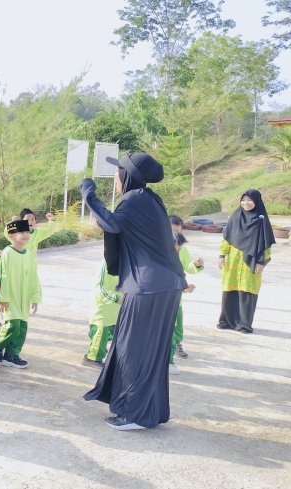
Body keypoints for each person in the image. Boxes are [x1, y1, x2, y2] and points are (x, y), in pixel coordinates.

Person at [80, 152, 186, 431]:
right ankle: (150, 411)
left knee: (134, 349)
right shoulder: (149, 200)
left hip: (150, 286)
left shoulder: (134, 199)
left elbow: (112, 224)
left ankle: (134, 414)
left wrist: (89, 196)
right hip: (163, 284)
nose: (116, 178)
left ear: (128, 176)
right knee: (149, 352)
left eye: (118, 173)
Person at [216, 190, 275, 334]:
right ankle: (226, 321)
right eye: (243, 200)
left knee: (247, 292)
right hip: (234, 261)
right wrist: (222, 255)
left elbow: (265, 243)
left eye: (249, 200)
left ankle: (244, 324)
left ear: (256, 201)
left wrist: (262, 262)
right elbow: (227, 238)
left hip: (252, 261)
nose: (246, 203)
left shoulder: (261, 219)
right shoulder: (235, 217)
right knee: (230, 290)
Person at [0, 219, 40, 368]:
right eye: (21, 232)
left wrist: (35, 296)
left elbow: (34, 276)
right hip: (10, 297)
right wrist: (2, 297)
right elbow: (2, 275)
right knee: (13, 325)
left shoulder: (29, 254)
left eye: (27, 232)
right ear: (11, 235)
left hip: (23, 298)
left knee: (22, 327)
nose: (25, 234)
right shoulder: (8, 252)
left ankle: (12, 355)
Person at [169, 216, 204, 359]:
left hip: (177, 298)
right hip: (161, 296)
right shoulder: (157, 250)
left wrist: (196, 264)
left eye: (178, 232)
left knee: (177, 323)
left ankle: (177, 343)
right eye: (171, 232)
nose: (175, 236)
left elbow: (189, 266)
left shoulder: (182, 250)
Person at [82, 260, 121, 370]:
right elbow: (101, 287)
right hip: (103, 305)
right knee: (101, 331)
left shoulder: (126, 260)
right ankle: (92, 358)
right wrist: (115, 297)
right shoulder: (107, 262)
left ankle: (94, 337)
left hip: (116, 307)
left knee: (111, 332)